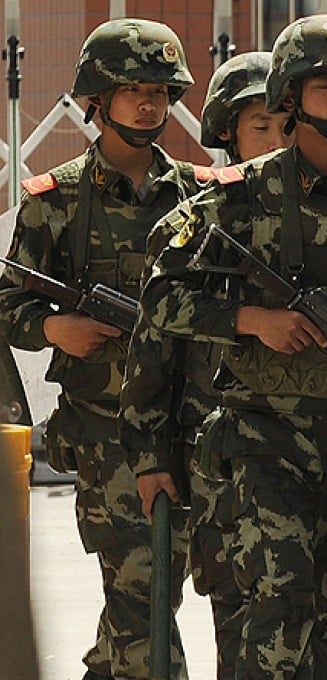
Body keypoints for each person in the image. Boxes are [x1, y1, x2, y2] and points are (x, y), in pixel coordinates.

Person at [138, 14, 327, 678]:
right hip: (268, 446)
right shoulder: (238, 198)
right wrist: (250, 319)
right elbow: (160, 298)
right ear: (292, 95)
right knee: (278, 622)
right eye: (325, 85)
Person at [0, 19, 199, 680]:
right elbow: (9, 302)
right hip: (104, 435)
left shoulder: (202, 199)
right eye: (134, 89)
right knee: (145, 587)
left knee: (145, 593)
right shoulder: (54, 204)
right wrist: (59, 329)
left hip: (186, 427)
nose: (149, 104)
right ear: (98, 97)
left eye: (161, 91)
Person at [119, 50, 293, 680]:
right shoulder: (206, 220)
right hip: (216, 459)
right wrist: (150, 454)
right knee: (242, 629)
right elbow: (154, 346)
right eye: (260, 128)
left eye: (285, 125)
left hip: (313, 457)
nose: (276, 141)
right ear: (226, 133)